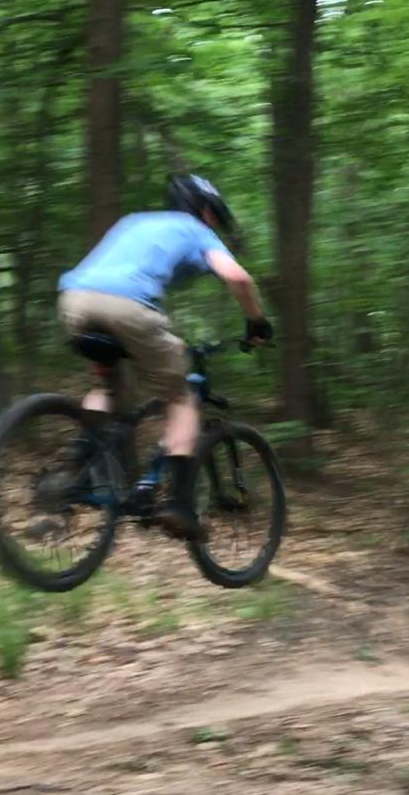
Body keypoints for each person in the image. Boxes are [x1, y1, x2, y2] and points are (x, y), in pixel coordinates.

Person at [58, 174, 273, 541]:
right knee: (182, 396)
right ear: (204, 209)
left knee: (109, 388)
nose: (215, 224)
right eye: (215, 217)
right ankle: (178, 504)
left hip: (74, 300)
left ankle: (71, 467)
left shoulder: (134, 221)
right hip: (127, 307)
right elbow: (237, 278)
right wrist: (257, 321)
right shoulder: (195, 229)